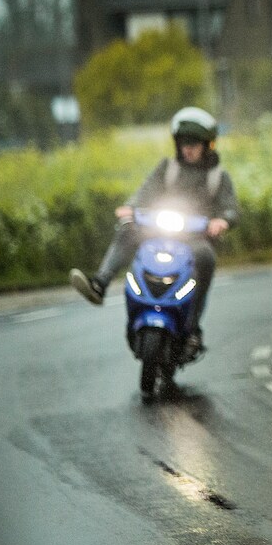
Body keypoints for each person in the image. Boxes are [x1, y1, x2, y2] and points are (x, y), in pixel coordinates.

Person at [69, 106, 238, 358]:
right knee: (127, 232)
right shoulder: (167, 168)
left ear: (208, 145)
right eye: (183, 143)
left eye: (194, 144)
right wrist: (130, 208)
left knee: (206, 258)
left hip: (195, 240)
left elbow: (231, 208)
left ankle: (191, 328)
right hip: (159, 231)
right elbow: (144, 191)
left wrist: (223, 221)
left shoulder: (218, 177)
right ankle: (100, 284)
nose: (188, 148)